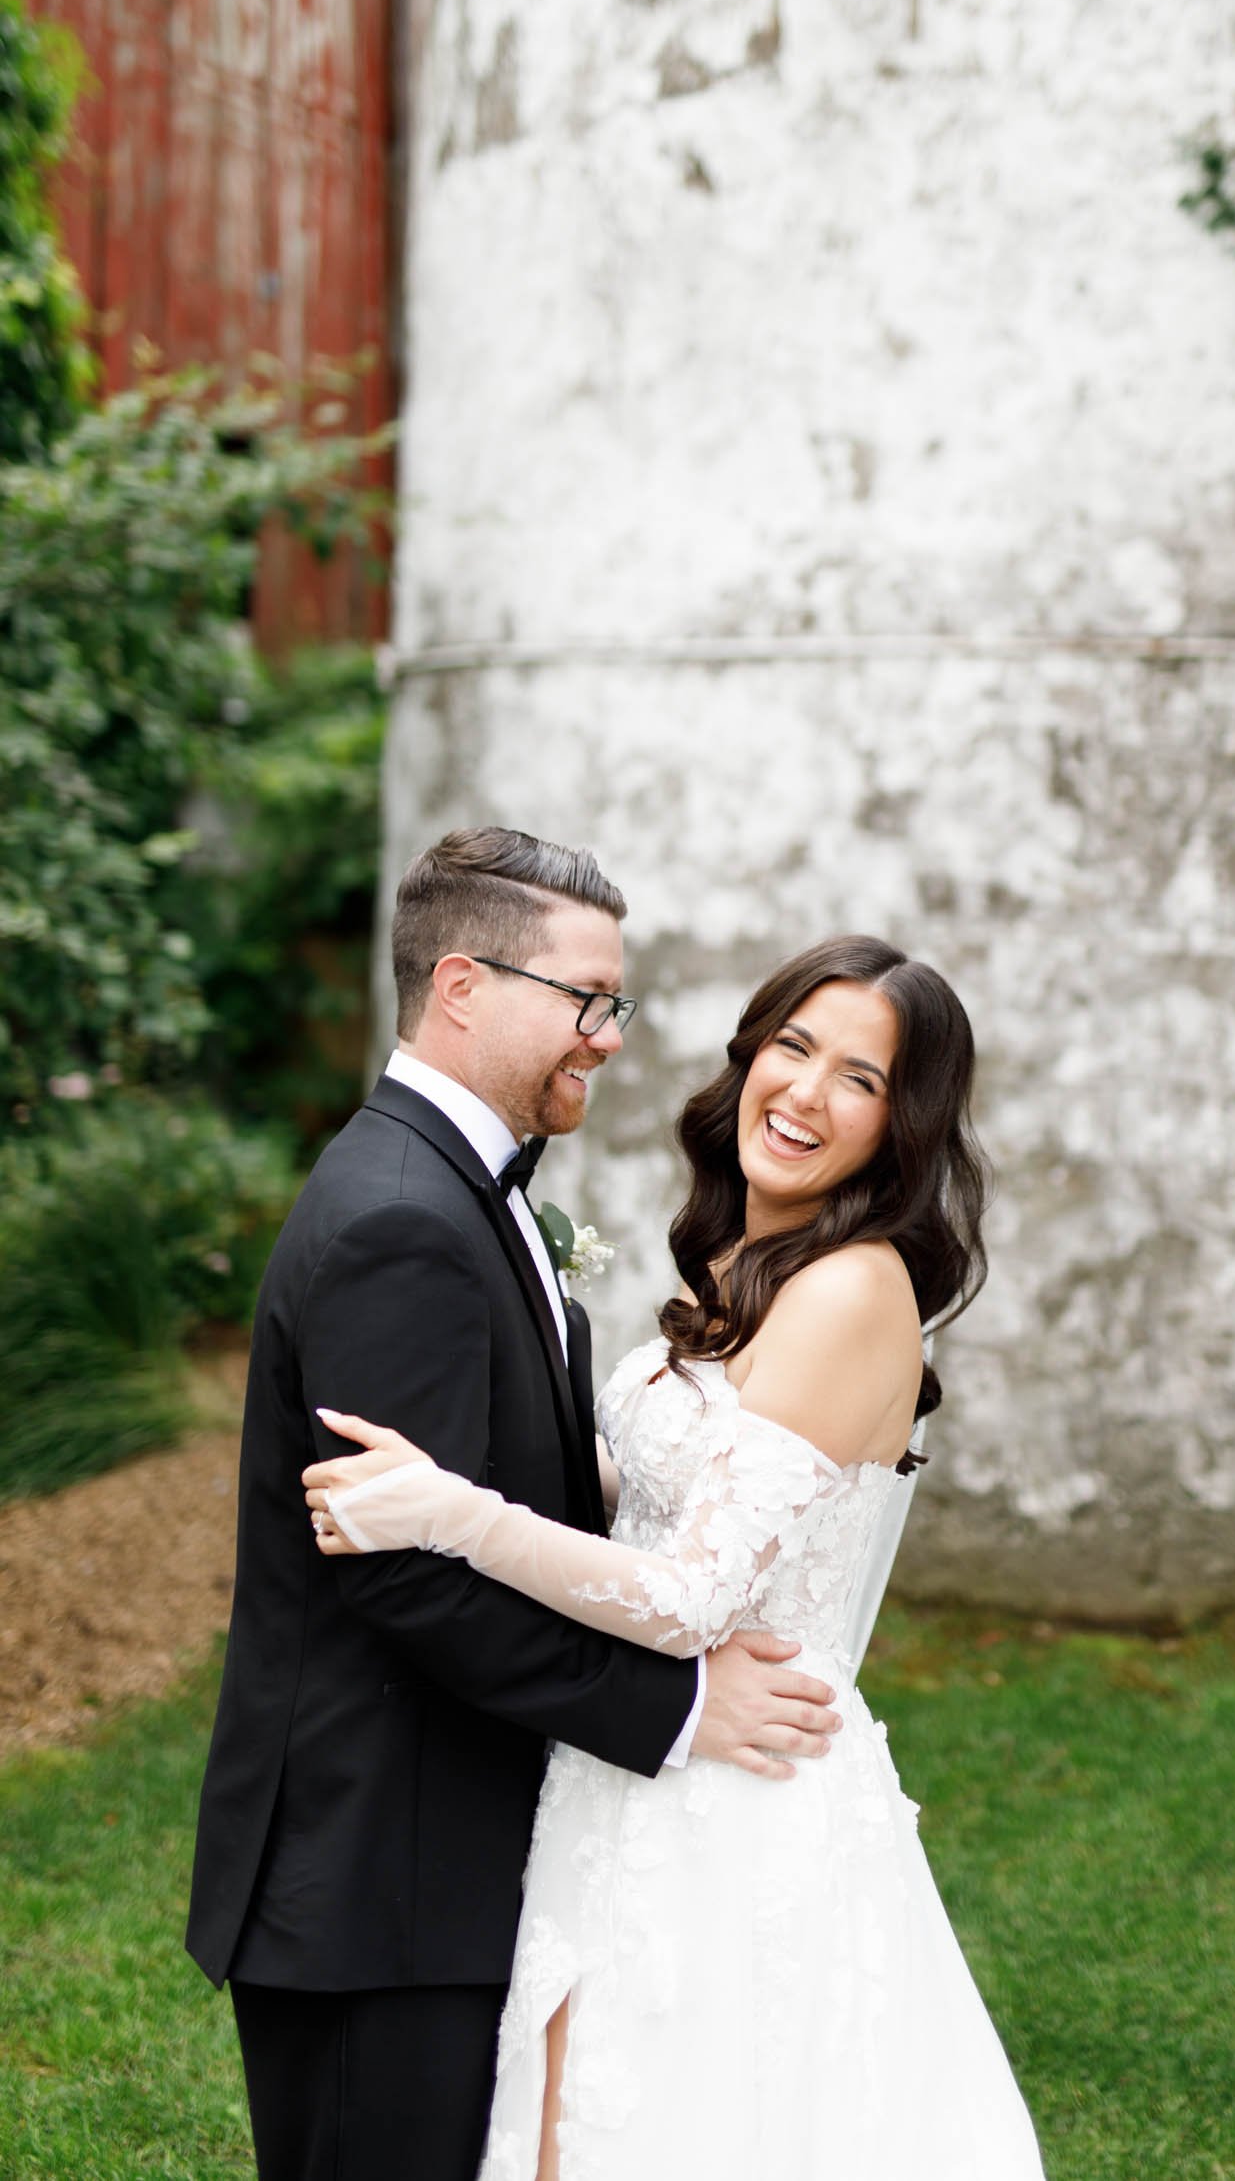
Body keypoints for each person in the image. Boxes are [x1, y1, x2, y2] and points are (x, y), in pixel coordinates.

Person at [301, 934, 1048, 2181]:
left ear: (900, 1127)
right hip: (628, 1775)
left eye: (858, 1079)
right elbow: (643, 1497)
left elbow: (692, 1593)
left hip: (737, 1802)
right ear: (748, 1054)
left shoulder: (852, 1291)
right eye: (794, 1047)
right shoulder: (750, 1270)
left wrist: (449, 1512)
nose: (805, 1093)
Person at [187, 830, 841, 2181]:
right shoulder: (400, 1221)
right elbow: (403, 1573)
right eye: (585, 999)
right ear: (463, 987)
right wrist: (670, 1707)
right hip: (381, 1886)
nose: (606, 1036)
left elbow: (491, 1489)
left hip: (434, 1863)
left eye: (615, 1004)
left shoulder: (451, 1190)